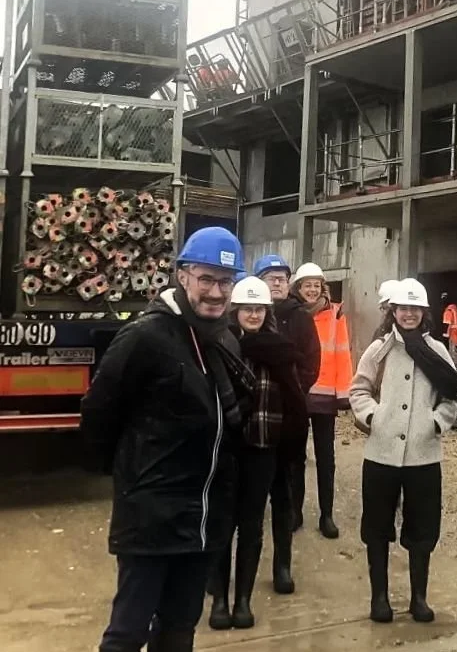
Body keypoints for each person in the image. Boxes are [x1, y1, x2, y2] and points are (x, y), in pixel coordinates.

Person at [82, 227, 255, 652]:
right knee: (127, 633)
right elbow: (98, 413)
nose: (216, 293)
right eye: (207, 279)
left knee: (179, 629)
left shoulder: (223, 340)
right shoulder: (146, 337)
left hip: (203, 522)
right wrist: (133, 482)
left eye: (226, 282)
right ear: (182, 276)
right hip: (152, 520)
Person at [351, 278, 457, 624]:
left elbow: (454, 395)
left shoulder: (437, 351)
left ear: (424, 312)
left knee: (422, 529)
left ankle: (419, 598)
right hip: (381, 455)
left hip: (423, 456)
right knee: (377, 528)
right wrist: (373, 416)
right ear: (393, 311)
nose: (409, 314)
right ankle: (380, 598)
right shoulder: (379, 350)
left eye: (415, 308)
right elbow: (359, 389)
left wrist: (435, 423)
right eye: (403, 308)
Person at [208, 276, 307, 632]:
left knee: (251, 526)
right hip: (228, 450)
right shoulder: (221, 345)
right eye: (247, 308)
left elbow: (295, 399)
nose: (253, 314)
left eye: (259, 309)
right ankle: (219, 600)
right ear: (235, 311)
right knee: (222, 524)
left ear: (267, 312)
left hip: (264, 449)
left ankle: (243, 601)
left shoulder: (280, 349)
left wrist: (291, 445)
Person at [252, 254, 322, 545]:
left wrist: (294, 389)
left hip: (292, 406)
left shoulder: (300, 317)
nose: (278, 282)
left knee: (294, 461)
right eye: (271, 277)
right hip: (258, 407)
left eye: (282, 278)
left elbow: (311, 361)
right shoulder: (251, 314)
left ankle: (293, 513)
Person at [290, 262, 354, 539]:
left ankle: (326, 515)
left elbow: (343, 354)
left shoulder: (336, 315)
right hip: (298, 394)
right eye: (308, 285)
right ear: (298, 288)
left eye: (317, 285)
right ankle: (295, 512)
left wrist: (345, 394)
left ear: (322, 288)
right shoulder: (290, 314)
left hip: (326, 396)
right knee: (295, 457)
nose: (313, 290)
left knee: (326, 458)